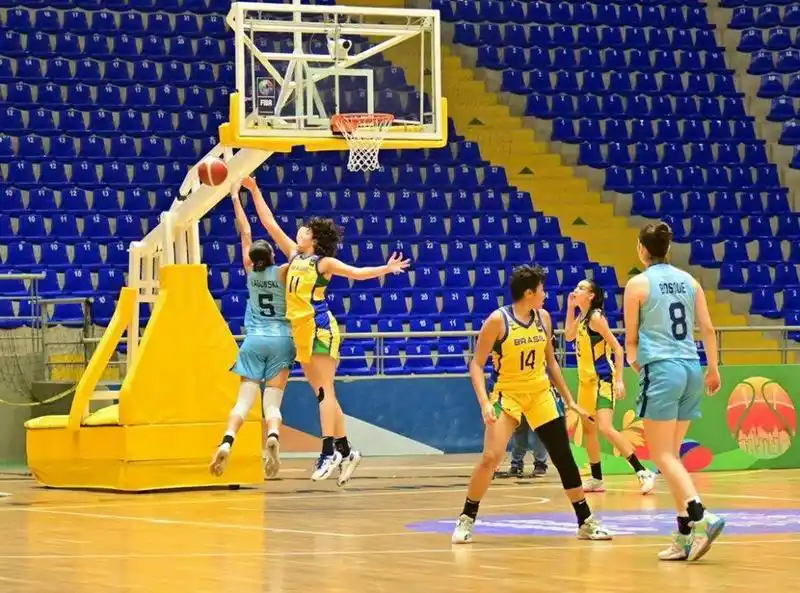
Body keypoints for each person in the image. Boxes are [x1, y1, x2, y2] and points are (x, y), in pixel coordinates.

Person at [240, 176, 410, 484]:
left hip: (320, 328)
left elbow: (357, 273)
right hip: (299, 332)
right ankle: (347, 450)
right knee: (325, 395)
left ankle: (328, 451)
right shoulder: (293, 254)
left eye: (305, 230)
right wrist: (253, 191)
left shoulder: (324, 263)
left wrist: (385, 269)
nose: (299, 231)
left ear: (314, 239)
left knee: (324, 392)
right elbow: (269, 223)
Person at [452, 265, 612, 544]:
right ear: (529, 292)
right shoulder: (497, 321)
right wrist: (484, 403)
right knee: (491, 457)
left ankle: (585, 521)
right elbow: (476, 365)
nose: (545, 294)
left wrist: (569, 399)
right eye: (541, 290)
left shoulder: (544, 318)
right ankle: (467, 516)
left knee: (562, 455)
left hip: (539, 393)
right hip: (508, 395)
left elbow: (550, 361)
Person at [623, 222, 725, 562]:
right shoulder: (690, 281)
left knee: (661, 455)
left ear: (641, 248)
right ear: (668, 249)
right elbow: (708, 329)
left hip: (662, 369)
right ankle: (683, 537)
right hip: (691, 368)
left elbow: (632, 341)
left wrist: (640, 368)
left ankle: (701, 515)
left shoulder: (637, 284)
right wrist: (712, 369)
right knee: (672, 455)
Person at [210, 184, 295, 480]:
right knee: (272, 403)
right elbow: (282, 242)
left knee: (243, 402)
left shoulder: (250, 272)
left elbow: (245, 231)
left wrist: (235, 197)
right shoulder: (284, 271)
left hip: (255, 340)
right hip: (282, 340)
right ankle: (272, 435)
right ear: (272, 256)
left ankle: (227, 440)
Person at [565, 279, 657, 494]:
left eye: (581, 288)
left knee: (605, 428)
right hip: (585, 383)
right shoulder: (581, 317)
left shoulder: (596, 318)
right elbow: (568, 336)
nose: (575, 290)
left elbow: (618, 349)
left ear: (591, 296)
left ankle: (642, 471)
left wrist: (619, 380)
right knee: (589, 430)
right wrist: (570, 308)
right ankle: (597, 479)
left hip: (602, 380)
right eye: (576, 286)